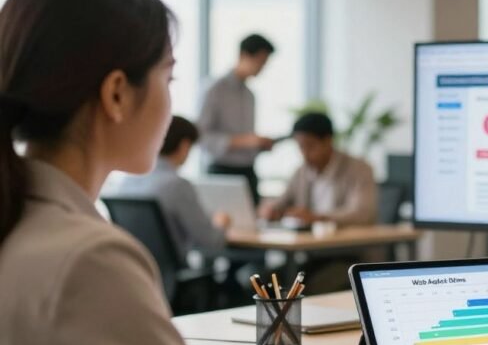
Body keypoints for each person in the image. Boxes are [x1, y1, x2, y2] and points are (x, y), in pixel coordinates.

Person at [0, 0, 400, 345]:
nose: (173, 103)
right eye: (169, 78)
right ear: (117, 94)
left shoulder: (23, 226)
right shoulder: (86, 259)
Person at [109, 115, 230, 258]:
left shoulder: (128, 180)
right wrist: (221, 224)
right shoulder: (178, 186)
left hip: (136, 269)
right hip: (174, 277)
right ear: (185, 145)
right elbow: (211, 241)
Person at [197, 33, 278, 204]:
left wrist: (258, 144)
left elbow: (247, 140)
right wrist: (245, 141)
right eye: (260, 61)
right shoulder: (214, 89)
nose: (262, 68)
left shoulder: (250, 96)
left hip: (248, 172)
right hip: (221, 172)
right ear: (243, 56)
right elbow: (202, 137)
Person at [259, 112, 377, 228]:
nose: (304, 153)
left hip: (348, 244)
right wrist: (270, 209)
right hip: (309, 244)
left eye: (310, 146)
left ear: (328, 141)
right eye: (301, 147)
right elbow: (281, 202)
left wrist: (317, 217)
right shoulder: (302, 171)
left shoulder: (359, 169)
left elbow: (362, 214)